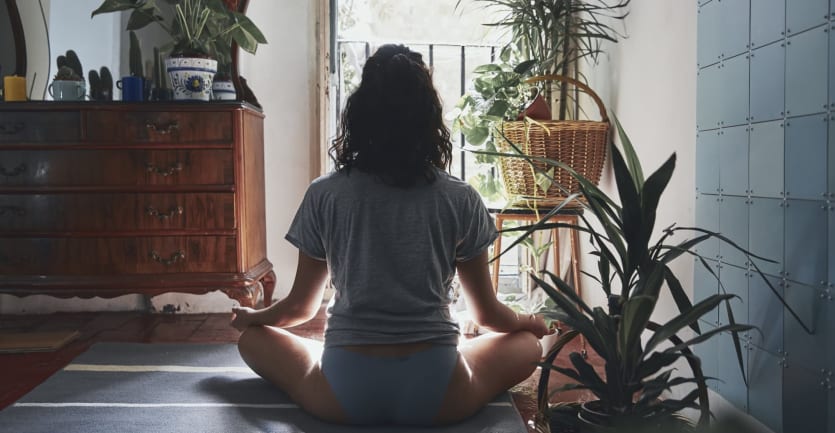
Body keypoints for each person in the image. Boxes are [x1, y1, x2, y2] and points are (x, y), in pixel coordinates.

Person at [230, 44, 552, 427]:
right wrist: (528, 320)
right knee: (528, 343)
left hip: (341, 393)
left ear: (360, 115)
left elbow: (300, 308)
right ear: (429, 117)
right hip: (438, 393)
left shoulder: (325, 193)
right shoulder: (460, 197)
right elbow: (487, 314)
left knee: (252, 338)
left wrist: (255, 316)